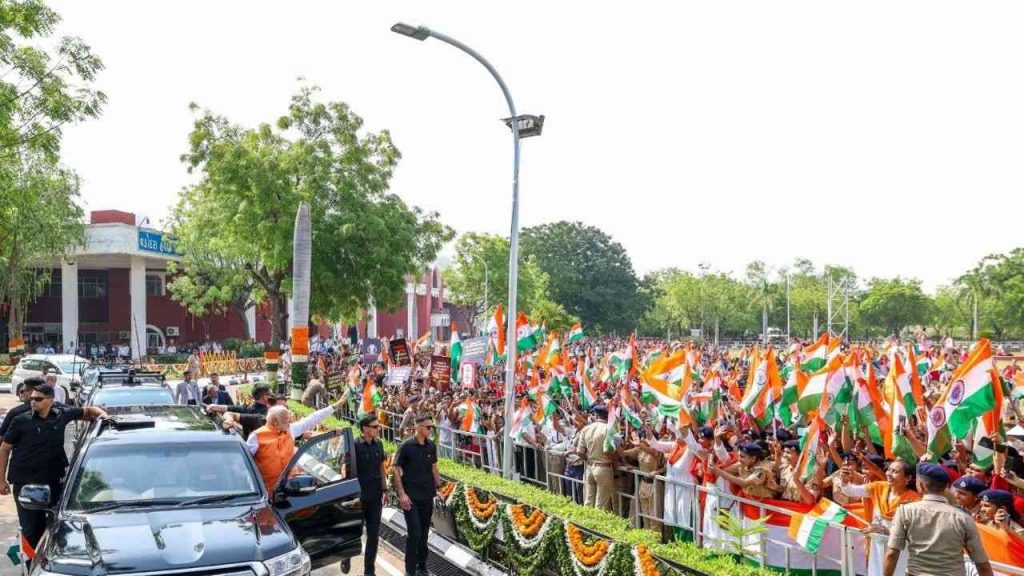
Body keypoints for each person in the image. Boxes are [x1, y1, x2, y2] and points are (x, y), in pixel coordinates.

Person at [0, 385, 107, 560]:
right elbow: (4, 449)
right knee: (30, 530)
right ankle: (29, 566)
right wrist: (1, 480)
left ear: (50, 400)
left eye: (38, 399)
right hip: (27, 485)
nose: (33, 402)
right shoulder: (21, 420)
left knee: (57, 527)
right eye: (31, 399)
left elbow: (88, 411)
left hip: (54, 482)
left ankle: (51, 562)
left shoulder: (61, 414)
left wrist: (102, 415)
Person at [885, 463, 993, 576]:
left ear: (921, 486)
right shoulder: (964, 518)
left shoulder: (906, 511)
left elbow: (892, 553)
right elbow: (982, 565)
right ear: (945, 487)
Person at [230, 399, 342, 491]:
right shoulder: (256, 436)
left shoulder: (290, 430)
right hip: (267, 491)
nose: (290, 422)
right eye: (286, 420)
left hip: (291, 488)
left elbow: (311, 420)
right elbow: (244, 464)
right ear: (275, 422)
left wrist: (334, 407)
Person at [841, 458, 921, 576]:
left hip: (900, 551)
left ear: (907, 478)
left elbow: (912, 531)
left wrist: (884, 530)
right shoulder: (879, 487)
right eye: (889, 470)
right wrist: (845, 481)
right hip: (877, 546)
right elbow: (850, 491)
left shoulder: (915, 500)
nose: (889, 474)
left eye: (895, 471)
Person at [393, 416, 442, 576]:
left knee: (424, 533)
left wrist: (439, 487)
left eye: (431, 427)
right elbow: (396, 471)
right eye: (428, 427)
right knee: (414, 533)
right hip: (411, 498)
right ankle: (410, 570)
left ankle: (422, 567)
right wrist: (402, 494)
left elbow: (434, 467)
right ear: (419, 427)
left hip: (427, 496)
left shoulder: (430, 446)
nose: (430, 430)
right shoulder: (406, 446)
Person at [354, 414, 388, 576]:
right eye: (375, 427)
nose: (377, 429)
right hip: (358, 498)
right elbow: (346, 470)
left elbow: (382, 468)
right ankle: (346, 556)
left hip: (375, 497)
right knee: (355, 531)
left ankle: (369, 569)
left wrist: (385, 489)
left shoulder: (379, 445)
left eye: (378, 426)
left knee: (373, 534)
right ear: (365, 428)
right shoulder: (354, 445)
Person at [572, 404, 615, 511]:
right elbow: (608, 450)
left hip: (590, 467)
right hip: (603, 467)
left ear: (596, 415)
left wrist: (588, 458)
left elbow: (579, 451)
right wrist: (615, 461)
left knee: (588, 501)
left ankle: (586, 525)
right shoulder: (609, 429)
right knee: (601, 505)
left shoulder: (586, 429)